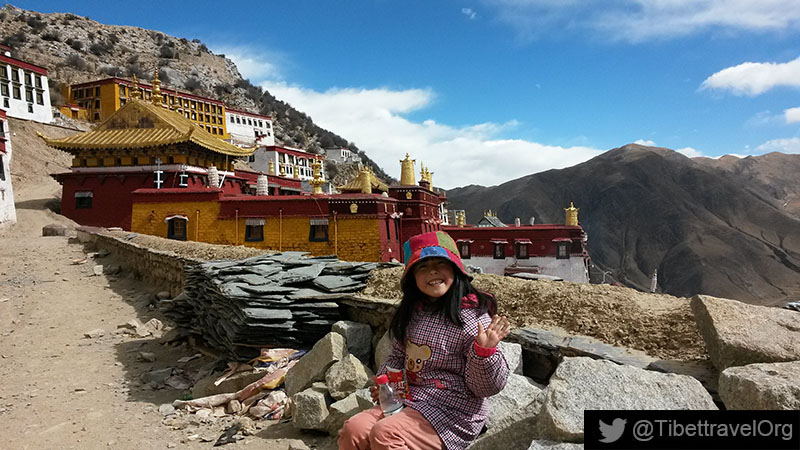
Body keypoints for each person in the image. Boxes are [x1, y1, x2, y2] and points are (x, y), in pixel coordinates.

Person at [338, 231, 511, 450]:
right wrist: (386, 384)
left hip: (453, 411)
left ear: (456, 270)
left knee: (385, 434)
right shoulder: (413, 313)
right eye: (422, 266)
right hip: (410, 398)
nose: (433, 271)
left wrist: (484, 353)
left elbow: (484, 388)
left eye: (441, 263)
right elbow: (398, 355)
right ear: (412, 277)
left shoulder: (472, 319)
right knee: (354, 429)